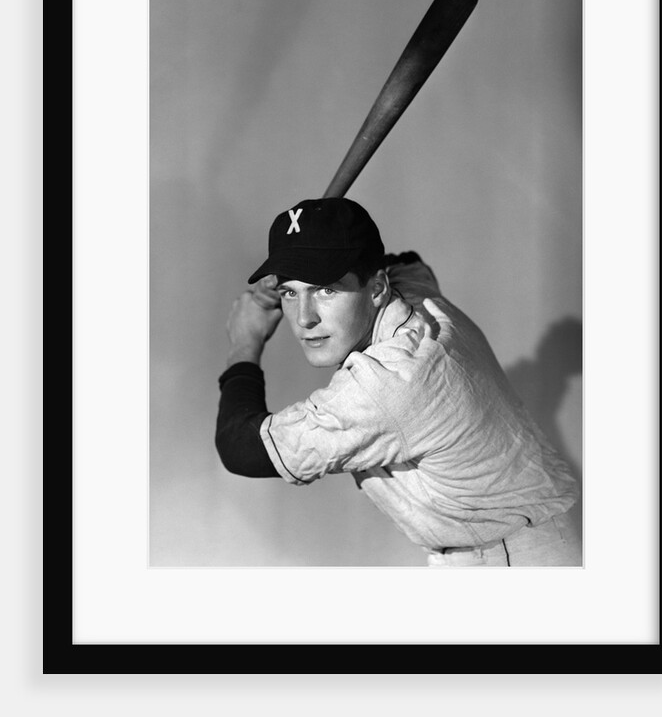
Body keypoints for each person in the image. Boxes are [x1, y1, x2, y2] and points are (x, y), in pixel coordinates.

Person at [215, 197, 581, 566]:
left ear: (376, 289)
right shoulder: (416, 298)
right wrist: (304, 260)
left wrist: (246, 340)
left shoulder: (389, 382)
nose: (305, 318)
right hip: (528, 542)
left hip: (512, 563)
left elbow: (240, 449)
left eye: (327, 289)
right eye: (291, 292)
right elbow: (407, 261)